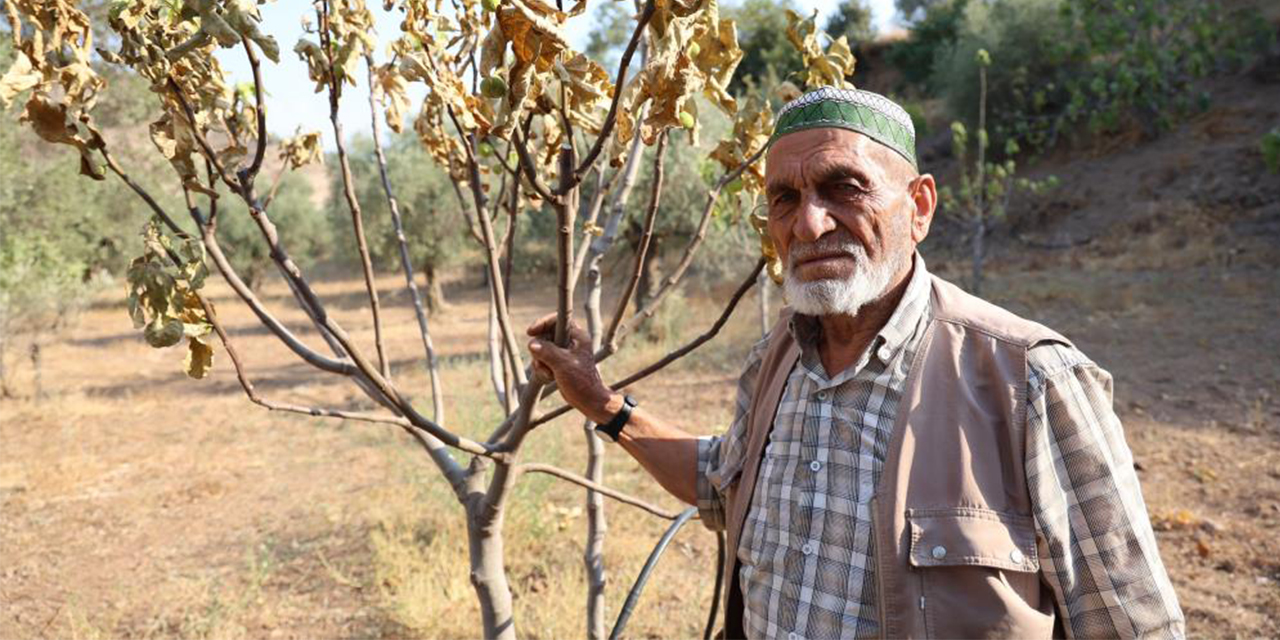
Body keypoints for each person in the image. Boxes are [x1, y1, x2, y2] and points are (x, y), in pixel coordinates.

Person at [526, 87, 1184, 639]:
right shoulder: (776, 358)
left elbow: (1132, 625)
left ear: (919, 207)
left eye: (844, 188)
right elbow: (726, 486)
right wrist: (599, 402)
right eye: (784, 199)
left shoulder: (1031, 380)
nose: (808, 225)